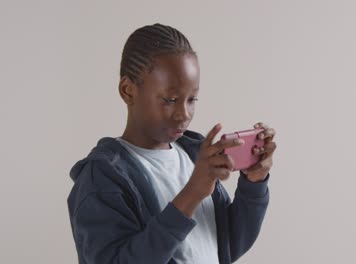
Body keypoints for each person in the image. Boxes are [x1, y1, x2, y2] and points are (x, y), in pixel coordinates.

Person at [67, 23, 277, 264]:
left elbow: (228, 245)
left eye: (191, 99)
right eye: (171, 99)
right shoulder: (102, 177)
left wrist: (254, 183)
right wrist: (191, 194)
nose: (184, 114)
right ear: (128, 91)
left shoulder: (194, 154)